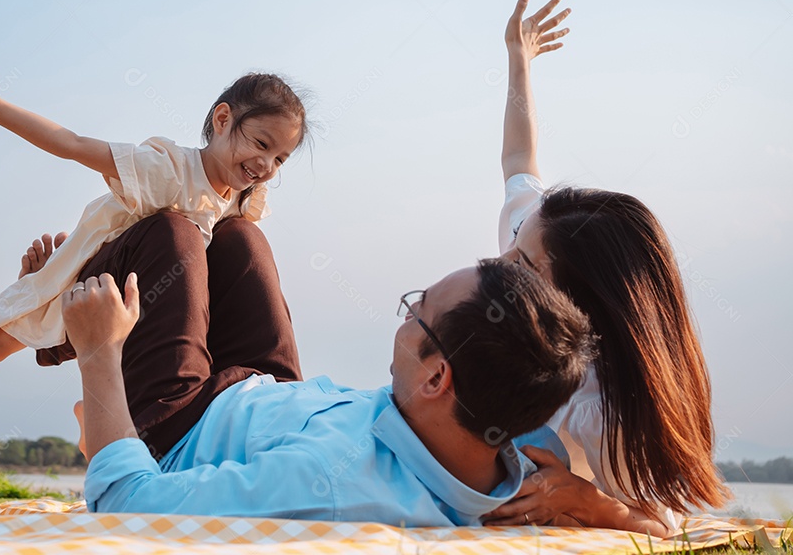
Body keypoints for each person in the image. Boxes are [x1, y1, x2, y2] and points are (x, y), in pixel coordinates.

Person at [0, 63, 309, 459]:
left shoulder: (241, 198)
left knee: (195, 300)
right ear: (223, 119)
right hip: (94, 279)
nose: (267, 164)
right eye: (261, 144)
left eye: (281, 158)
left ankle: (99, 424)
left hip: (155, 299)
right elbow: (72, 143)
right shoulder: (168, 168)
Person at [53, 207, 595, 525]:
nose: (402, 320)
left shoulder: (324, 483)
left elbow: (129, 504)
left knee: (170, 233)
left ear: (436, 378)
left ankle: (48, 316)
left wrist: (100, 353)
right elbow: (650, 518)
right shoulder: (524, 449)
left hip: (179, 427)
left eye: (416, 310)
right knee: (239, 237)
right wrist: (608, 509)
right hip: (275, 397)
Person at [483, 0, 727, 534]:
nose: (502, 259)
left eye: (524, 262)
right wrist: (518, 60)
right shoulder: (540, 230)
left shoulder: (599, 405)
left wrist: (584, 499)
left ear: (577, 307)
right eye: (516, 241)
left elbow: (660, 526)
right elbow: (519, 160)